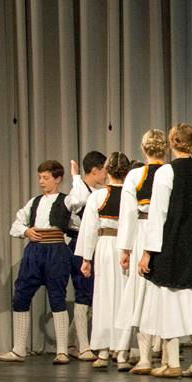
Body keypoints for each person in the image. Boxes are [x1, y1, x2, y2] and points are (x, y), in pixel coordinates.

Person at [138, 123, 192, 378]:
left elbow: (158, 214)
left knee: (170, 300)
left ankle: (173, 362)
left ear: (172, 142)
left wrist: (148, 252)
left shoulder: (167, 172)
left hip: (174, 245)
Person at [0, 161, 84, 363]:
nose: (41, 181)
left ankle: (62, 351)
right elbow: (16, 224)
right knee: (21, 295)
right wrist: (26, 231)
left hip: (56, 251)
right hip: (34, 251)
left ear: (57, 179)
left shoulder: (67, 200)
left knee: (57, 296)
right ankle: (19, 349)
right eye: (40, 177)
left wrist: (76, 176)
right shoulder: (34, 202)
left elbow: (81, 200)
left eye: (46, 177)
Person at [116, 129, 168, 375]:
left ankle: (145, 359)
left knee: (142, 296)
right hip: (168, 236)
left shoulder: (135, 175)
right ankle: (168, 357)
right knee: (167, 294)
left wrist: (125, 248)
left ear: (143, 148)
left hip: (143, 232)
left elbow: (127, 214)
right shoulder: (173, 172)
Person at [76, 152, 132, 370]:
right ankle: (122, 353)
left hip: (106, 247)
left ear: (107, 170)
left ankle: (103, 351)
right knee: (124, 298)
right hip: (127, 248)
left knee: (104, 296)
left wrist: (86, 258)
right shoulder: (132, 195)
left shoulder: (98, 197)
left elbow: (89, 229)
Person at [66, 151, 109, 360]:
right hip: (79, 245)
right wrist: (76, 177)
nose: (107, 174)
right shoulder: (79, 191)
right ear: (94, 171)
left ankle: (71, 341)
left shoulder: (96, 191)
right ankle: (83, 346)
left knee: (91, 295)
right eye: (104, 170)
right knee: (83, 292)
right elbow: (78, 201)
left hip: (95, 244)